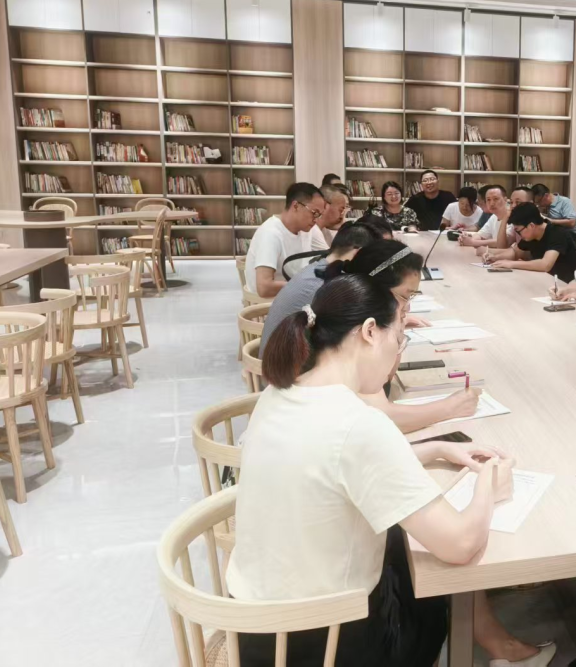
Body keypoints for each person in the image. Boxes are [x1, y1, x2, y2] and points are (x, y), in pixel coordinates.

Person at [230, 274, 555, 667]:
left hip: (257, 636)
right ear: (370, 331)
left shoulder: (279, 393)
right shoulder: (358, 423)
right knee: (425, 574)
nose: (396, 354)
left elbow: (332, 465)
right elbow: (460, 545)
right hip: (330, 645)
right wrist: (488, 484)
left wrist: (436, 448)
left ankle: (495, 641)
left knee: (400, 538)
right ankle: (493, 642)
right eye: (399, 338)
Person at [326, 241, 497, 433]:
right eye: (405, 296)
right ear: (374, 289)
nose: (408, 307)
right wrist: (451, 407)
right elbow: (378, 416)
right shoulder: (354, 332)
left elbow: (386, 380)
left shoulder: (351, 311)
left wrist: (395, 327)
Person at [262, 221, 378, 344]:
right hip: (284, 354)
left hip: (274, 351)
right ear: (358, 253)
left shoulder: (316, 268)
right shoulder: (328, 286)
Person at [244, 182, 325, 298]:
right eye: (314, 213)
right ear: (296, 206)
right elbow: (264, 288)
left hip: (292, 293)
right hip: (271, 302)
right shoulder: (271, 233)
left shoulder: (306, 230)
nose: (316, 220)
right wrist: (304, 285)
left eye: (319, 215)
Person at [489, 202, 576, 283]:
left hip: (568, 284)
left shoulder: (557, 233)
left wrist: (512, 264)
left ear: (531, 226)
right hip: (547, 281)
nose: (518, 234)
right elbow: (515, 252)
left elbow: (545, 265)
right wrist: (495, 258)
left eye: (518, 230)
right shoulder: (531, 235)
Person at [460, 185, 510, 250]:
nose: (491, 203)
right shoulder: (494, 217)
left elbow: (503, 242)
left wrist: (472, 242)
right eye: (488, 200)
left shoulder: (512, 217)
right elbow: (480, 234)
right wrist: (468, 239)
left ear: (505, 200)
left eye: (496, 199)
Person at [308, 184, 350, 251]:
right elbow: (331, 257)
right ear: (325, 206)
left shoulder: (324, 230)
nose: (342, 214)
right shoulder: (313, 230)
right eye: (341, 209)